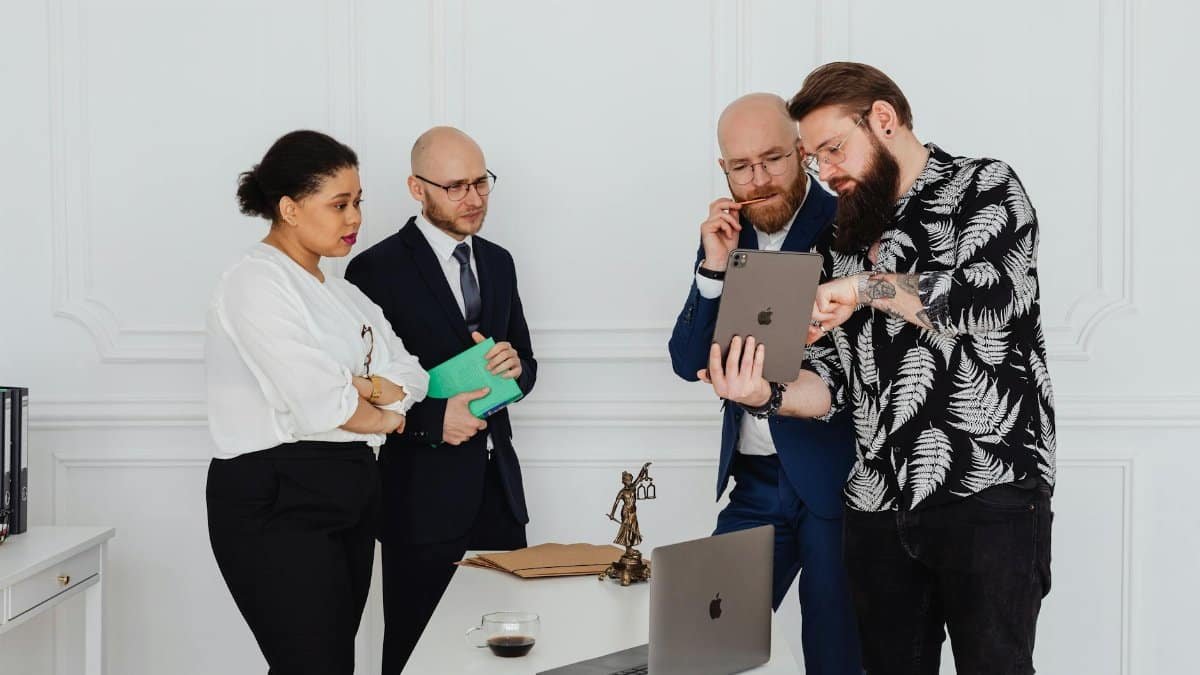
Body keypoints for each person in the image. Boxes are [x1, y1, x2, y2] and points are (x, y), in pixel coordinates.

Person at [717, 62, 1057, 674]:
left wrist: (866, 288)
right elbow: (832, 383)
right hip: (874, 508)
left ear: (884, 119)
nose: (825, 171)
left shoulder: (984, 186)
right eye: (815, 157)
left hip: (988, 495)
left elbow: (993, 299)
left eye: (833, 149)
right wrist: (764, 393)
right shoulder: (843, 238)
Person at [205, 129, 429, 675]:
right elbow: (320, 404)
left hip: (351, 484)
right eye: (339, 204)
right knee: (315, 666)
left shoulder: (342, 292)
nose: (355, 218)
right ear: (289, 208)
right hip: (276, 493)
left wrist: (359, 386)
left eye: (358, 202)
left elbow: (413, 377)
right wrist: (375, 402)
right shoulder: (255, 281)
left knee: (328, 665)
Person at [668, 93, 862, 674]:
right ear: (723, 169)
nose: (758, 179)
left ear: (802, 153)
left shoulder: (850, 224)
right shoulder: (728, 237)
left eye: (773, 159)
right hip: (753, 486)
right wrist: (712, 268)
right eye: (740, 166)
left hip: (840, 486)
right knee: (699, 646)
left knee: (836, 660)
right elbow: (686, 360)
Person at [345, 126, 537, 673]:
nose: (473, 199)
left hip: (500, 492)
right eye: (455, 186)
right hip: (420, 500)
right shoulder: (373, 269)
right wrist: (434, 420)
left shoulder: (498, 262)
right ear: (416, 187)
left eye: (481, 183)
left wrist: (516, 368)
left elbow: (526, 363)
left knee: (508, 650)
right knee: (416, 654)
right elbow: (360, 387)